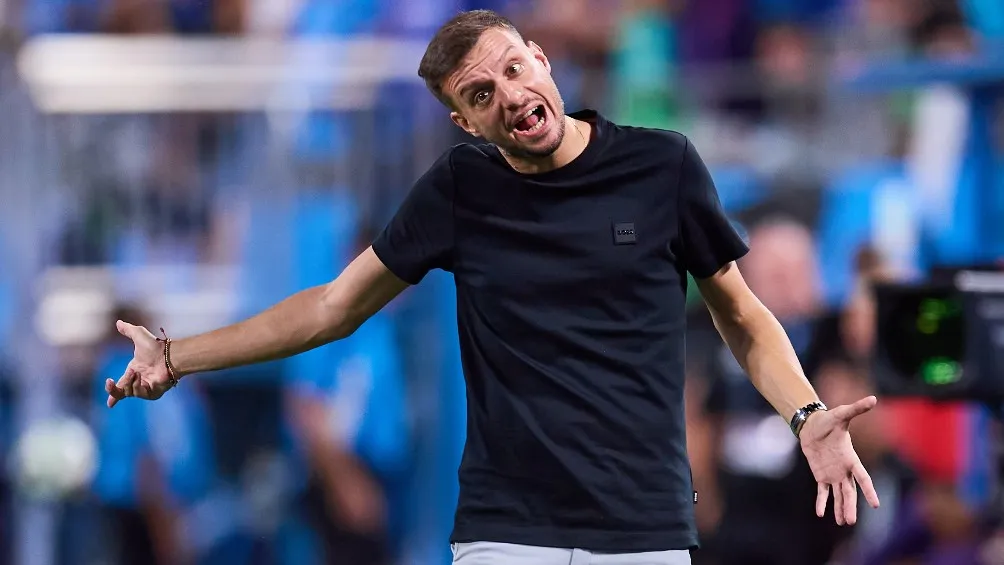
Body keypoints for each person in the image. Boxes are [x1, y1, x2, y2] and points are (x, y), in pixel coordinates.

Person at [104, 9, 881, 565]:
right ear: (466, 124)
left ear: (542, 60)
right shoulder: (458, 188)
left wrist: (807, 413)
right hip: (506, 534)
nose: (508, 95)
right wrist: (176, 355)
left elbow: (741, 315)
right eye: (479, 94)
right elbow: (333, 306)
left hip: (643, 533)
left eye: (513, 69)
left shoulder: (663, 166)